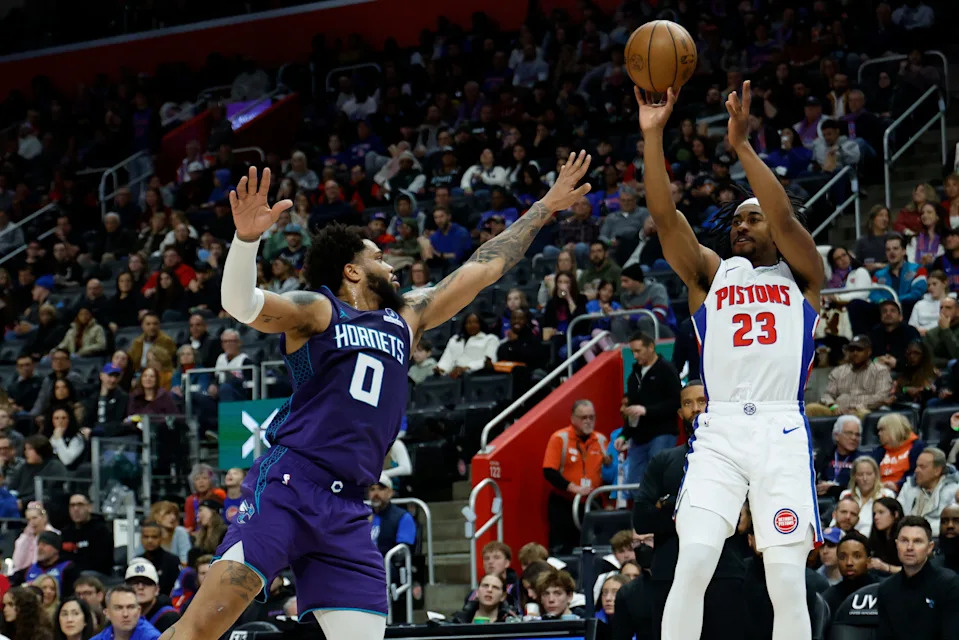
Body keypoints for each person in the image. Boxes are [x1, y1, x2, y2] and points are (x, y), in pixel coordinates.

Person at [163, 155, 592, 640]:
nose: (392, 263)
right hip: (290, 484)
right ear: (351, 270)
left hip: (349, 509)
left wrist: (546, 206)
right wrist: (246, 240)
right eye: (378, 257)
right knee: (200, 630)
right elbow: (241, 305)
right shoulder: (320, 311)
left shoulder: (408, 316)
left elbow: (486, 265)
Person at [638, 81, 825, 640]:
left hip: (779, 427)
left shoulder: (805, 277)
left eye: (752, 218)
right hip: (718, 429)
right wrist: (652, 136)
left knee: (787, 579)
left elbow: (787, 221)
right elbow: (666, 218)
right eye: (736, 220)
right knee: (691, 562)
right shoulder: (711, 274)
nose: (740, 225)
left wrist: (742, 147)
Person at [633, 379, 746, 640]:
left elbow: (743, 519)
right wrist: (691, 506)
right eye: (687, 403)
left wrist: (670, 505)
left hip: (725, 574)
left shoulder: (740, 458)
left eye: (702, 401)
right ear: (679, 413)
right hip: (669, 575)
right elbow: (642, 520)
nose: (695, 408)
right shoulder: (663, 460)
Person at [614, 332, 681, 491]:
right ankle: (641, 515)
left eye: (638, 351)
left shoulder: (667, 370)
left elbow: (676, 402)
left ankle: (660, 514)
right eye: (632, 352)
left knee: (658, 479)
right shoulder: (633, 376)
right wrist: (624, 434)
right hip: (638, 437)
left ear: (651, 347)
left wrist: (646, 410)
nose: (635, 356)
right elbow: (632, 410)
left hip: (662, 433)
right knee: (633, 485)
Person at [542, 399, 611, 553]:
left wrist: (608, 501)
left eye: (591, 417)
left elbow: (608, 474)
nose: (588, 421)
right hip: (564, 502)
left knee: (594, 547)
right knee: (563, 549)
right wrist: (574, 488)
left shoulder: (601, 440)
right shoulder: (560, 438)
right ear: (573, 418)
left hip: (593, 502)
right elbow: (549, 471)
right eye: (583, 417)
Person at [876, 516, 959, 639]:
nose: (909, 547)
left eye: (917, 541)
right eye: (904, 540)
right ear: (896, 544)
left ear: (930, 547)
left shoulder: (949, 584)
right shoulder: (886, 589)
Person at [804, 335, 893, 418]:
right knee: (810, 408)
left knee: (864, 414)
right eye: (852, 350)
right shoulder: (839, 371)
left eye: (859, 350)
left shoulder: (880, 371)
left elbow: (881, 397)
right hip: (837, 410)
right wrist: (833, 406)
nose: (855, 353)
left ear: (869, 351)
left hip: (862, 410)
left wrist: (853, 406)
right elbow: (828, 394)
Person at [896, 447, 959, 537]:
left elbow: (949, 526)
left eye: (922, 467)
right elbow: (898, 516)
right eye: (917, 466)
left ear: (937, 471)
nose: (916, 470)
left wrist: (920, 532)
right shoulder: (908, 487)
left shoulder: (954, 490)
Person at [821, 531, 877, 616]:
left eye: (857, 556)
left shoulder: (884, 591)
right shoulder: (828, 598)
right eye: (842, 557)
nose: (849, 562)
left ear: (868, 561)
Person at [836, 457, 896, 536]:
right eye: (860, 474)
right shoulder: (846, 495)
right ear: (854, 476)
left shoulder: (887, 495)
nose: (865, 478)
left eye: (869, 474)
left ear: (876, 475)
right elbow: (836, 521)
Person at [13, 531, 78, 597]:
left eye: (44, 545)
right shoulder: (28, 570)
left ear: (56, 549)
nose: (40, 548)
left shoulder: (68, 569)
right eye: (38, 544)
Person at [61, 494, 114, 576]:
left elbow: (102, 562)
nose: (76, 509)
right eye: (72, 505)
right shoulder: (65, 532)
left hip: (94, 576)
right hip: (70, 574)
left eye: (80, 505)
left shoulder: (101, 530)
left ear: (89, 507)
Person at [433, 313, 498, 378]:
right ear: (464, 325)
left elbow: (490, 361)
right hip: (454, 377)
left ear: (481, 324)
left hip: (477, 376)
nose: (472, 325)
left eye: (476, 322)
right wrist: (441, 368)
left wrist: (467, 367)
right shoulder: (454, 340)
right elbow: (447, 358)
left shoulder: (490, 339)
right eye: (468, 322)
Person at [871, 413, 925, 490]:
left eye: (882, 430)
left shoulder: (917, 447)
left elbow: (916, 473)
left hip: (905, 490)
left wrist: (897, 485)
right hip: (879, 490)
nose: (879, 434)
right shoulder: (879, 451)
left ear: (893, 429)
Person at [368, 473, 416, 555]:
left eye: (380, 489)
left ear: (390, 493)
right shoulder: (362, 517)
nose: (376, 493)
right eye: (372, 489)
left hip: (386, 564)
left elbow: (403, 552)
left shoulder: (403, 517)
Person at [125, 560, 179, 632]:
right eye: (135, 582)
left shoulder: (169, 618)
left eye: (146, 582)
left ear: (157, 590)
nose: (140, 587)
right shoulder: (121, 616)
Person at [815, 416, 862, 499]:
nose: (854, 438)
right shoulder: (823, 456)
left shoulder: (862, 459)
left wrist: (835, 489)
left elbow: (862, 487)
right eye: (849, 433)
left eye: (857, 435)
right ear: (836, 435)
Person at [91, 585, 161, 640]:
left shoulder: (153, 638)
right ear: (107, 613)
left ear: (139, 611)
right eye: (119, 608)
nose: (125, 614)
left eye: (130, 607)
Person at [132, 524, 179, 596]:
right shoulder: (136, 562)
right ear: (141, 539)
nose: (150, 540)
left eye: (154, 537)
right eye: (146, 537)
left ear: (161, 538)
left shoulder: (172, 561)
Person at [182, 465, 225, 532]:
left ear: (211, 480)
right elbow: (189, 525)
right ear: (193, 483)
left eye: (205, 478)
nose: (201, 482)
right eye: (197, 479)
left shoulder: (218, 494)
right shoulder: (190, 500)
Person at [868, 497, 905, 574]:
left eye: (881, 512)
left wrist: (886, 567)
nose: (876, 517)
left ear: (895, 514)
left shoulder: (905, 539)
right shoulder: (876, 540)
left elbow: (913, 571)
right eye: (874, 514)